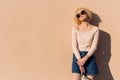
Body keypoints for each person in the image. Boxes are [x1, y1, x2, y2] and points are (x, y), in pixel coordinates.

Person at [71, 7, 100, 80]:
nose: (80, 15)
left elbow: (94, 47)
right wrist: (80, 60)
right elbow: (74, 46)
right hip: (77, 57)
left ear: (87, 13)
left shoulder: (95, 29)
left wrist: (84, 59)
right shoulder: (75, 29)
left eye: (82, 12)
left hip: (89, 57)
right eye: (78, 15)